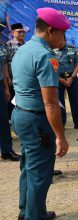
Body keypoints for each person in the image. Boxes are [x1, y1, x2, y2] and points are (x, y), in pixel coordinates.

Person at [11, 7, 70, 219]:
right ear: (51, 30)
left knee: (28, 166)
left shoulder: (23, 49)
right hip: (37, 120)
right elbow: (51, 103)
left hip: (21, 114)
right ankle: (33, 216)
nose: (64, 38)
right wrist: (61, 138)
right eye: (63, 33)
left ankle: (27, 210)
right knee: (40, 174)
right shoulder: (46, 56)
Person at [55, 36, 78, 130]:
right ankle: (61, 124)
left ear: (65, 40)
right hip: (59, 78)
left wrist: (72, 77)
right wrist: (60, 79)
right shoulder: (52, 51)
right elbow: (52, 67)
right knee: (60, 102)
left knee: (75, 100)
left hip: (72, 77)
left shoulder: (72, 49)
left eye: (60, 40)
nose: (58, 42)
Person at [0, 23, 19, 161]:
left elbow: (4, 68)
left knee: (3, 119)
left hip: (0, 86)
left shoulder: (3, 47)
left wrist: (6, 88)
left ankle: (7, 151)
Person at [6, 22, 25, 120]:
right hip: (13, 79)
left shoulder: (27, 45)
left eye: (23, 32)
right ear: (13, 33)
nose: (22, 34)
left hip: (25, 79)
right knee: (12, 100)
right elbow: (5, 62)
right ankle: (11, 120)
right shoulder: (8, 45)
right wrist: (8, 78)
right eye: (19, 32)